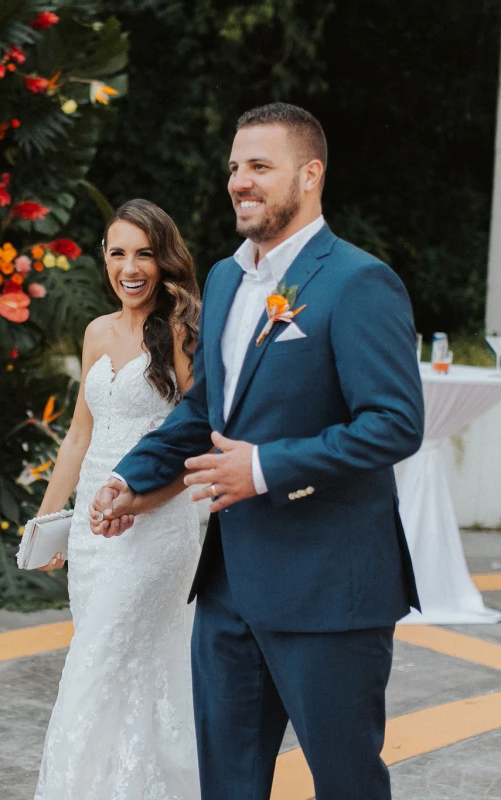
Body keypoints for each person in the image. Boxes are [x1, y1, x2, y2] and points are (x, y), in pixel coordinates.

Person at [90, 103, 425, 799]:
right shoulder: (222, 279)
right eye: (235, 167)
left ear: (310, 175)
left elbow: (395, 422)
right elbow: (205, 412)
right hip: (228, 587)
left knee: (346, 782)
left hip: (329, 587)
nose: (241, 181)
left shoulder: (359, 282)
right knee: (230, 784)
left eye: (260, 167)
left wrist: (266, 467)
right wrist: (131, 478)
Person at [30, 199, 203, 800]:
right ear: (104, 258)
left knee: (96, 664)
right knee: (124, 666)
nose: (130, 268)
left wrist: (147, 499)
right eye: (118, 252)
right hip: (92, 527)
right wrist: (53, 520)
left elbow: (199, 432)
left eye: (145, 253)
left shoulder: (182, 330)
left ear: (165, 259)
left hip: (157, 523)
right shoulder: (97, 332)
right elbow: (80, 434)